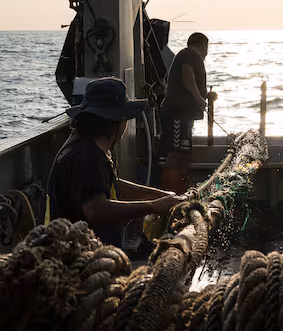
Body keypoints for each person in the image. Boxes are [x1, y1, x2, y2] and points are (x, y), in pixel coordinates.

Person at [46, 76, 182, 247]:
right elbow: (95, 209)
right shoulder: (86, 156)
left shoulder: (85, 144)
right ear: (116, 121)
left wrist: (160, 195)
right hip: (79, 254)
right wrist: (154, 206)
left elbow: (113, 185)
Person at [159, 32, 216, 191]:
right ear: (203, 44)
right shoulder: (190, 54)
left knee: (183, 154)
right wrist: (200, 99)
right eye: (207, 47)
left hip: (183, 116)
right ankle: (169, 193)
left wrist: (205, 96)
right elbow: (187, 76)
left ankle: (178, 190)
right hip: (176, 115)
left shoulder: (187, 55)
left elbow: (186, 87)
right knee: (176, 154)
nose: (206, 53)